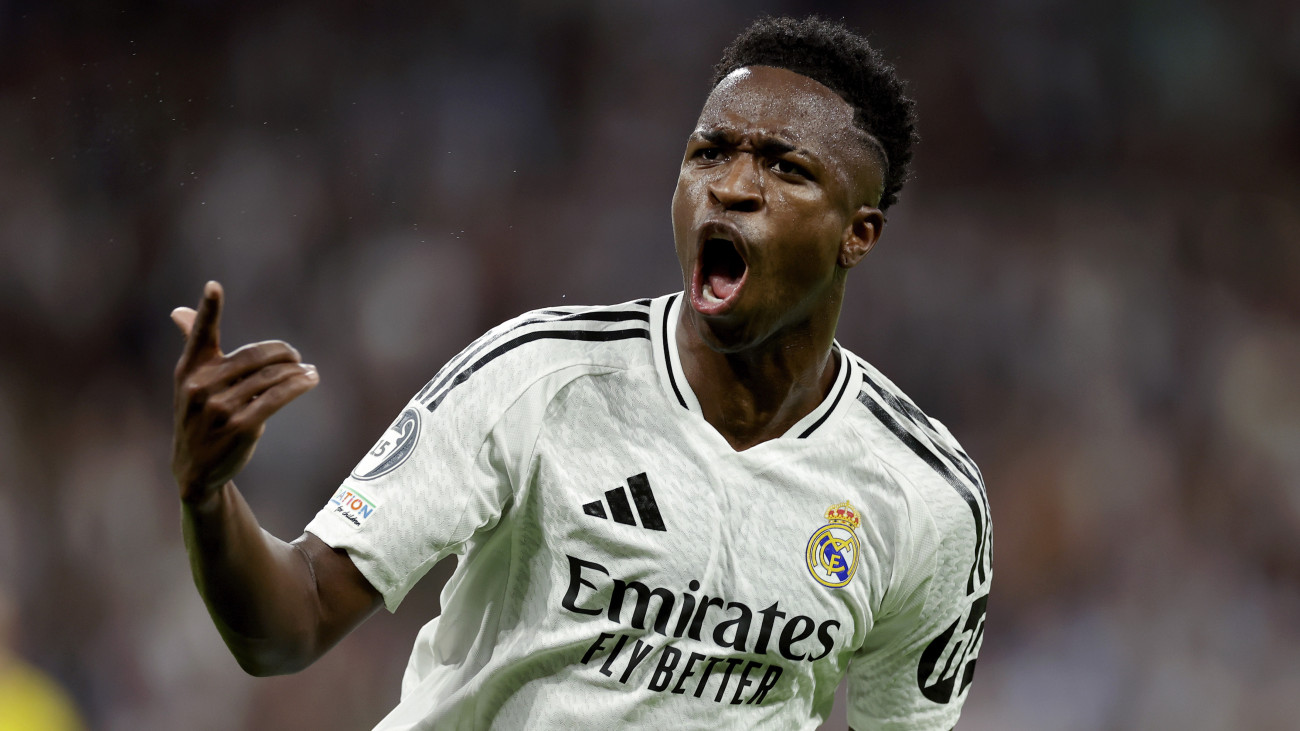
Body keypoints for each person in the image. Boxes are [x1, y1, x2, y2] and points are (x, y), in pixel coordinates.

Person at [170, 16, 990, 730]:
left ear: (860, 233)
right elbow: (292, 621)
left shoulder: (924, 496)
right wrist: (209, 499)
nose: (732, 187)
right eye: (710, 152)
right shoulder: (539, 379)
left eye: (785, 167)